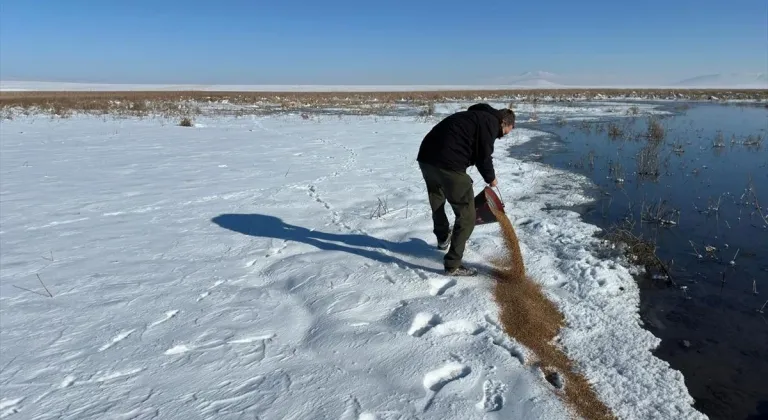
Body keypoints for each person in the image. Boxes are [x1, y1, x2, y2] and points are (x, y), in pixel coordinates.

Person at [416, 103, 515, 276]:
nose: (504, 135)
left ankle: (442, 237)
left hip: (426, 158)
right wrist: (491, 178)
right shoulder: (490, 123)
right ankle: (453, 265)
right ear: (505, 123)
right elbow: (483, 156)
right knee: (467, 216)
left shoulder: (476, 117)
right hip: (449, 164)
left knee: (437, 198)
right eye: (508, 131)